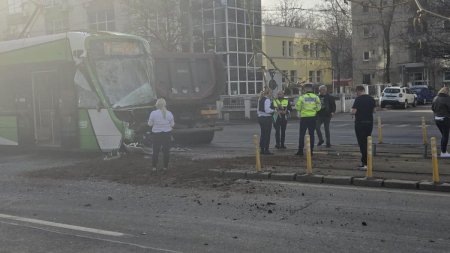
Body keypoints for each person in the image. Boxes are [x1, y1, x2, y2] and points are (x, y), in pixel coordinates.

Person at [351, 85, 376, 170]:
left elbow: (353, 111)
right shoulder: (371, 99)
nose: (356, 93)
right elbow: (374, 111)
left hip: (360, 123)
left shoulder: (358, 99)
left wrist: (351, 113)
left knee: (362, 144)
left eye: (356, 92)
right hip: (369, 123)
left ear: (358, 91)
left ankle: (365, 163)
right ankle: (367, 161)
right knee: (367, 142)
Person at [148, 98, 175, 171]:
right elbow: (172, 125)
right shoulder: (169, 113)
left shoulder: (153, 113)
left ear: (157, 105)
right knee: (166, 151)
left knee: (155, 151)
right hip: (167, 134)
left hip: (157, 135)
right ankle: (165, 167)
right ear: (165, 105)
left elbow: (150, 124)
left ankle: (154, 167)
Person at [295, 83, 321, 156]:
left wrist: (302, 109)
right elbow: (319, 108)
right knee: (311, 134)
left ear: (305, 89)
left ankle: (300, 151)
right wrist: (313, 110)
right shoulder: (316, 97)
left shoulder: (302, 97)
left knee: (302, 134)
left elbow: (297, 107)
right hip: (312, 117)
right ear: (312, 89)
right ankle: (311, 151)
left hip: (304, 118)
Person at [431, 86, 450, 157]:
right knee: (445, 136)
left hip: (437, 119)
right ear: (447, 92)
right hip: (445, 119)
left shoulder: (435, 98)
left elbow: (432, 108)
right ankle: (443, 152)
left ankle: (443, 151)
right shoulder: (448, 99)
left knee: (444, 135)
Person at [257, 88, 275, 155]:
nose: (272, 94)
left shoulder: (260, 99)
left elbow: (258, 110)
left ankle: (262, 149)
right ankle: (266, 150)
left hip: (261, 117)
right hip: (266, 118)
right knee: (267, 134)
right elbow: (267, 110)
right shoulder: (267, 100)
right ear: (269, 93)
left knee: (263, 134)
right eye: (271, 93)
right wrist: (274, 111)